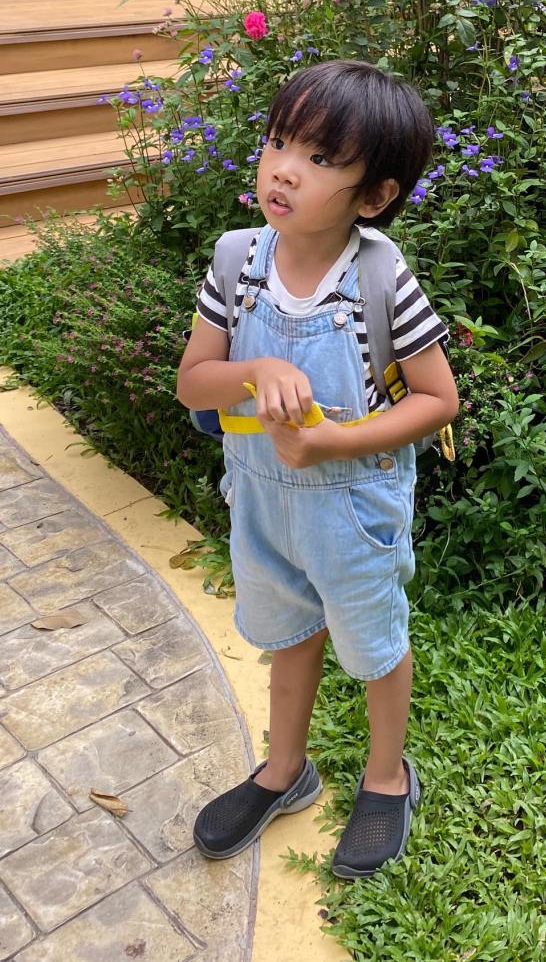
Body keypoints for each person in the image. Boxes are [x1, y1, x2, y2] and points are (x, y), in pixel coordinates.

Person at [176, 59, 459, 879]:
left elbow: (438, 400)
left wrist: (331, 440)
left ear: (372, 196)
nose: (284, 169)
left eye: (322, 159)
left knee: (373, 643)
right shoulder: (236, 262)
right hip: (261, 503)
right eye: (277, 141)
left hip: (352, 505)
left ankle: (384, 777)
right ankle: (283, 769)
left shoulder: (377, 275)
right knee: (289, 634)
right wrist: (255, 373)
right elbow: (195, 380)